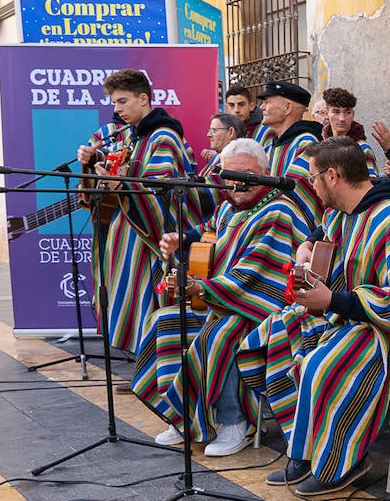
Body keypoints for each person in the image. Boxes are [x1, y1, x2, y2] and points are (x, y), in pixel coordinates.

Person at [237, 137, 390, 496]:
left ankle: (341, 461)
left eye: (313, 177)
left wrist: (334, 301)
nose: (310, 184)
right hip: (358, 319)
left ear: (334, 175)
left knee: (326, 361)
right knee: (279, 333)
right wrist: (307, 246)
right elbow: (322, 242)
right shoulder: (342, 214)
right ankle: (305, 451)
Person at [132, 138, 313, 455]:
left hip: (264, 307)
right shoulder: (230, 206)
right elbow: (208, 230)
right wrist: (181, 240)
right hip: (224, 300)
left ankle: (235, 422)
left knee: (221, 334)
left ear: (265, 173)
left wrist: (202, 288)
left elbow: (255, 272)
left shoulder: (278, 211)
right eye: (231, 174)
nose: (237, 182)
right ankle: (183, 417)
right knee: (163, 322)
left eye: (246, 174)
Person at [75, 68, 201, 354]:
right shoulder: (136, 137)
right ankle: (144, 367)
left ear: (143, 98)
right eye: (114, 103)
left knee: (150, 304)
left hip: (150, 243)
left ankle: (158, 369)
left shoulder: (162, 137)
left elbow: (161, 193)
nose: (116, 109)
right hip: (132, 239)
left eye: (122, 101)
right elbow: (124, 182)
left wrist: (119, 184)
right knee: (136, 305)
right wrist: (100, 168)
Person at [255, 80, 323, 222]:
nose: (261, 107)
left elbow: (296, 189)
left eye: (267, 102)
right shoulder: (270, 145)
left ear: (287, 108)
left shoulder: (306, 142)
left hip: (293, 227)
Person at [321, 86, 378, 176]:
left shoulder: (362, 149)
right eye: (336, 112)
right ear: (326, 114)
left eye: (347, 112)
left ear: (353, 114)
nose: (342, 119)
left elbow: (370, 185)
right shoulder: (320, 144)